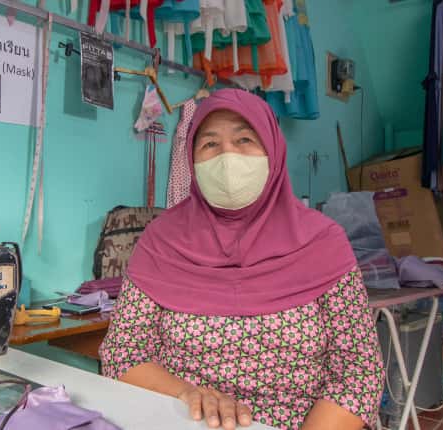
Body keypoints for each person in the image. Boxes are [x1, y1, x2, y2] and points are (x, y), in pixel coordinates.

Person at [99, 88, 382, 430]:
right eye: (210, 144)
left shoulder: (323, 243)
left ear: (273, 151)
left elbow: (358, 373)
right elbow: (122, 353)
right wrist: (186, 393)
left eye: (245, 139)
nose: (227, 157)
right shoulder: (160, 241)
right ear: (191, 159)